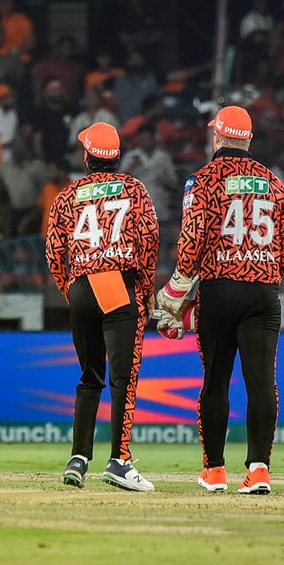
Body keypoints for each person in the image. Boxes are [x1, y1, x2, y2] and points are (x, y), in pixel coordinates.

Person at [155, 106, 283, 495]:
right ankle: (259, 470)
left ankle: (214, 471)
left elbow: (193, 239)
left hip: (220, 289)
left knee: (215, 380)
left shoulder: (203, 180)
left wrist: (175, 292)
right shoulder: (273, 183)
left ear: (217, 137)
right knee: (262, 382)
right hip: (263, 292)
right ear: (248, 139)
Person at [44, 122, 158, 492]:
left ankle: (78, 459)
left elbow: (54, 251)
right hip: (118, 286)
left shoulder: (68, 194)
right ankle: (120, 462)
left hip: (81, 287)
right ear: (116, 156)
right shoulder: (134, 189)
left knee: (89, 377)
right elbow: (149, 240)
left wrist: (70, 290)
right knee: (122, 379)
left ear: (87, 157)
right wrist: (146, 288)